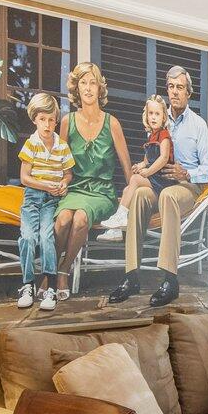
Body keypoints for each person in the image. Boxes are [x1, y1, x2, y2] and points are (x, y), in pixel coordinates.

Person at [108, 63, 208, 308]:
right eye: (171, 87)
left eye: (180, 87)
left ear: (189, 93)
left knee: (168, 196)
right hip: (158, 184)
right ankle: (131, 276)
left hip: (185, 187)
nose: (175, 92)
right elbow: (152, 157)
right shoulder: (160, 122)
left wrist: (185, 172)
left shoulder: (198, 125)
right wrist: (142, 166)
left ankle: (170, 279)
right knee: (140, 195)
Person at [51, 62, 132, 302]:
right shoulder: (67, 122)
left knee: (80, 218)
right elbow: (59, 163)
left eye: (92, 83)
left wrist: (132, 197)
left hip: (102, 193)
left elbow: (128, 171)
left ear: (100, 88)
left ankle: (62, 271)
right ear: (76, 88)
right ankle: (49, 269)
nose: (87, 88)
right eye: (83, 83)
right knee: (64, 219)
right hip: (74, 189)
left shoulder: (112, 123)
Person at [13, 91, 72, 313]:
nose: (47, 125)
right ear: (34, 120)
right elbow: (24, 177)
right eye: (42, 119)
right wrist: (46, 185)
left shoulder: (61, 146)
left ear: (56, 120)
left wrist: (64, 183)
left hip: (51, 201)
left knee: (47, 237)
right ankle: (27, 285)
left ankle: (51, 288)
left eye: (51, 120)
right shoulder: (32, 144)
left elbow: (68, 173)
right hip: (32, 198)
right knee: (28, 237)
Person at [126, 94, 175, 190]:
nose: (153, 117)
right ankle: (123, 206)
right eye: (151, 113)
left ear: (164, 117)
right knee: (128, 188)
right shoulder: (151, 137)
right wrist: (140, 166)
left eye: (157, 114)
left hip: (163, 178)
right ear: (146, 116)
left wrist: (148, 172)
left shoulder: (164, 135)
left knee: (135, 180)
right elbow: (146, 161)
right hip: (154, 175)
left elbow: (164, 158)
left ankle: (124, 206)